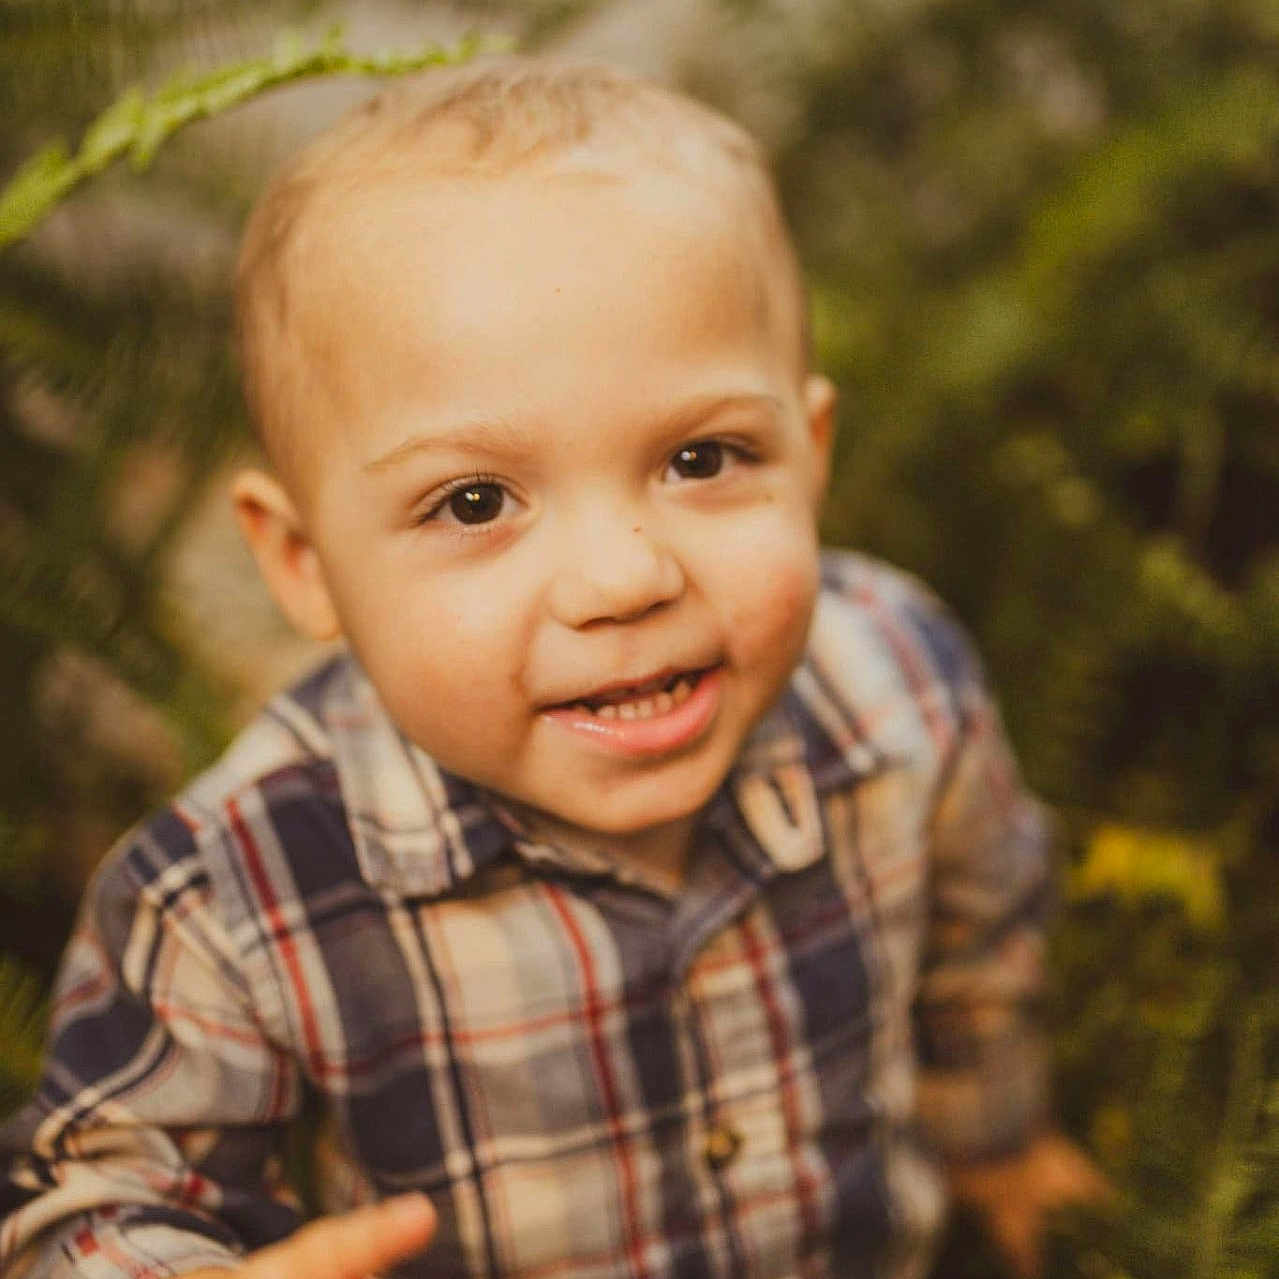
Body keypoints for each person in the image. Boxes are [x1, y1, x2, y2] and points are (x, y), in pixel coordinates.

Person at [0, 58, 1106, 1279]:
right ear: (305, 562)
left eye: (702, 458)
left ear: (810, 449)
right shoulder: (233, 897)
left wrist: (1000, 1144)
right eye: (475, 500)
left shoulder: (898, 686)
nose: (623, 577)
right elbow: (95, 1190)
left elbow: (978, 949)